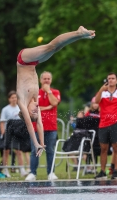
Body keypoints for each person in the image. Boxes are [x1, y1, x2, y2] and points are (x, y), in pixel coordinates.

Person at [17, 26, 96, 157]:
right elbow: (39, 125)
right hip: (33, 63)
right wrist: (41, 144)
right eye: (37, 112)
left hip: (24, 60)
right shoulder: (35, 101)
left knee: (51, 46)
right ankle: (79, 35)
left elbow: (31, 126)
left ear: (25, 111)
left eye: (34, 112)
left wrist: (35, 143)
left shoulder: (22, 101)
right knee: (56, 48)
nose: (37, 109)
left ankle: (79, 32)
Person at [25, 71, 61, 181]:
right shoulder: (35, 93)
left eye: (48, 79)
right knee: (35, 150)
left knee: (50, 150)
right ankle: (33, 173)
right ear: (40, 80)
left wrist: (48, 91)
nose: (46, 81)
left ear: (51, 80)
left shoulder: (55, 92)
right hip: (36, 126)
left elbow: (54, 103)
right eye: (44, 79)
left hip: (51, 127)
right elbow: (32, 107)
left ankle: (51, 172)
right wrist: (46, 107)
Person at [95, 72, 117, 180]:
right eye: (109, 78)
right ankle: (102, 171)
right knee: (103, 148)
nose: (110, 80)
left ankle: (115, 170)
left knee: (116, 147)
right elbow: (96, 102)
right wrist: (101, 90)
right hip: (103, 123)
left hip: (116, 123)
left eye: (112, 78)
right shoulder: (102, 92)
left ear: (116, 81)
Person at [0, 91, 28, 177]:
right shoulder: (5, 109)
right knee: (6, 151)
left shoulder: (20, 108)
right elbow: (2, 122)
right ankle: (5, 169)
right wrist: (3, 133)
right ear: (9, 99)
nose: (14, 99)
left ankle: (22, 169)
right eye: (12, 97)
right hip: (8, 132)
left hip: (17, 133)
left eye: (15, 97)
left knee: (19, 151)